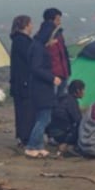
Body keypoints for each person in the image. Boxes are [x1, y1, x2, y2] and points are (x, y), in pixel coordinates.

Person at [25, 14, 63, 158]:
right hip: (41, 88)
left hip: (40, 87)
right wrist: (52, 78)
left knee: (42, 117)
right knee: (43, 118)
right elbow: (36, 68)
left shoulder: (37, 45)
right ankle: (31, 146)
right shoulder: (38, 49)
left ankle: (39, 146)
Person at [9, 15, 35, 147]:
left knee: (22, 111)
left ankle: (22, 136)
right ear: (25, 25)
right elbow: (29, 58)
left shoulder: (19, 40)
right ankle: (25, 137)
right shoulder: (21, 41)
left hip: (19, 82)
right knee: (25, 111)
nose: (32, 27)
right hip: (23, 82)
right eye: (31, 24)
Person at [34, 8, 71, 96]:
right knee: (52, 100)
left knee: (61, 100)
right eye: (58, 20)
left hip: (63, 73)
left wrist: (68, 70)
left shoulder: (58, 34)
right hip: (52, 76)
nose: (59, 22)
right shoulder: (43, 35)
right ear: (50, 21)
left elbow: (64, 53)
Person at [46, 79, 84, 154]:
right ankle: (66, 144)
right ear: (78, 91)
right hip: (62, 133)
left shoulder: (61, 98)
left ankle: (58, 142)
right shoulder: (72, 101)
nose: (84, 92)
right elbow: (78, 119)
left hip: (52, 132)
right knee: (81, 126)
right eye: (83, 90)